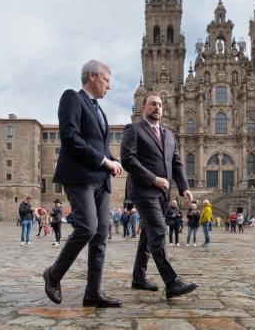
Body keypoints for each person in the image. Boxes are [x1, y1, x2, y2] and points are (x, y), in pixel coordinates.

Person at [43, 59, 123, 308]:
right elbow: (70, 136)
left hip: (101, 181)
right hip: (80, 177)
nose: (108, 87)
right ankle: (53, 274)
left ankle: (93, 293)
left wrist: (112, 159)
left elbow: (100, 146)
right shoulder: (72, 98)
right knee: (87, 228)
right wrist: (103, 160)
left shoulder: (100, 111)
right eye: (106, 80)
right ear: (92, 76)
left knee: (100, 235)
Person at [120, 93, 198, 299]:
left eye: (160, 105)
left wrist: (184, 188)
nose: (157, 107)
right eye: (153, 104)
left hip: (163, 194)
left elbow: (176, 163)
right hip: (144, 191)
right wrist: (153, 178)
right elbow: (127, 160)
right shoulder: (134, 129)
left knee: (147, 235)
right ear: (144, 107)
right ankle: (171, 283)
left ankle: (139, 278)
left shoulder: (169, 134)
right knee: (158, 231)